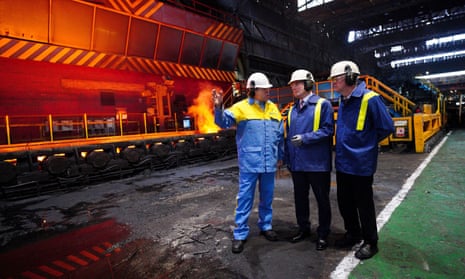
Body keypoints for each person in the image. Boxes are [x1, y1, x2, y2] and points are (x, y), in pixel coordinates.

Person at [328, 60, 394, 260]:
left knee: (364, 204)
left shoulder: (370, 99)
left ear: (348, 77)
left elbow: (387, 126)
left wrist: (366, 144)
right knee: (345, 202)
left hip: (361, 164)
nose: (333, 84)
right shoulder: (343, 100)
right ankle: (353, 234)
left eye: (336, 79)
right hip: (343, 163)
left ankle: (371, 242)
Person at [212, 72, 284, 254]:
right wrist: (218, 106)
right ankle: (240, 233)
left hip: (269, 163)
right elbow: (222, 122)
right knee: (245, 198)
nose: (268, 92)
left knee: (267, 197)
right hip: (250, 163)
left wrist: (280, 156)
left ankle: (266, 225)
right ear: (252, 90)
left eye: (268, 89)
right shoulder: (241, 108)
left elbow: (279, 135)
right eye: (264, 89)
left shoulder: (273, 108)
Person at [284, 69, 334, 251]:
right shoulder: (292, 110)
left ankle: (323, 234)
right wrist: (287, 159)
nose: (293, 87)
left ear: (308, 84)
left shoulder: (323, 105)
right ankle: (303, 229)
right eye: (292, 84)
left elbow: (328, 130)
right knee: (300, 199)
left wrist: (306, 138)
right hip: (298, 165)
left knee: (322, 200)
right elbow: (288, 137)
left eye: (297, 83)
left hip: (317, 164)